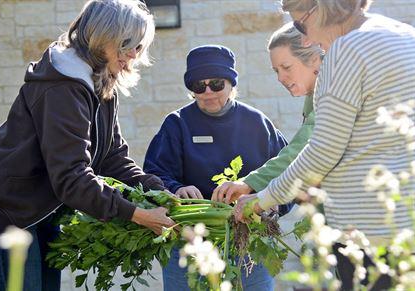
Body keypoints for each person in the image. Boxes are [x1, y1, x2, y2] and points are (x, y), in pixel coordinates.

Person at [0, 0, 175, 290]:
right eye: (129, 44)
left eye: (139, 47)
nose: (134, 55)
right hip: (6, 209)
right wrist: (137, 215)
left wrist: (159, 192)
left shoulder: (102, 80)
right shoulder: (62, 86)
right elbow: (72, 177)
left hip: (40, 210)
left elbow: (112, 155)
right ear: (104, 37)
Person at [234, 0, 415, 289]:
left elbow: (323, 150)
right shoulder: (405, 36)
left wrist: (263, 198)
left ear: (322, 8)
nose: (306, 40)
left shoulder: (348, 49)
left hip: (367, 234)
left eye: (299, 25)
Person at [143, 44, 289, 291]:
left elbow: (287, 172)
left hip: (249, 241)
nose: (208, 91)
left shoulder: (257, 123)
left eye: (217, 84)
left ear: (232, 84)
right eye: (199, 85)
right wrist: (176, 188)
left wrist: (276, 205)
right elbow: (153, 174)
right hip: (188, 243)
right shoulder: (177, 124)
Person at [212, 23, 322, 204]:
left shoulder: (329, 93)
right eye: (276, 71)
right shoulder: (313, 96)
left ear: (313, 59)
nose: (280, 78)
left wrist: (250, 184)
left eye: (286, 67)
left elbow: (303, 149)